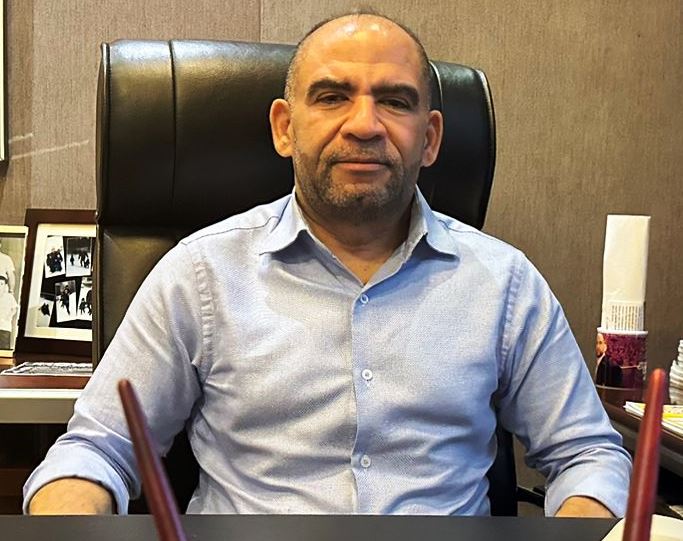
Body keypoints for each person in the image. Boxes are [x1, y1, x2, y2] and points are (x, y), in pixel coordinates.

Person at [24, 11, 631, 518]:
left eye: (394, 101)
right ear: (285, 128)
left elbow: (587, 455)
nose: (364, 125)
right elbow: (97, 450)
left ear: (430, 138)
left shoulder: (504, 284)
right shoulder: (199, 275)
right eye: (332, 97)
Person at [0, 275, 18, 350]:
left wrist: (8, 317)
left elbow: (14, 308)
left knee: (3, 349)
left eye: (1, 284)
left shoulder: (9, 297)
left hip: (5, 327)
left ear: (5, 286)